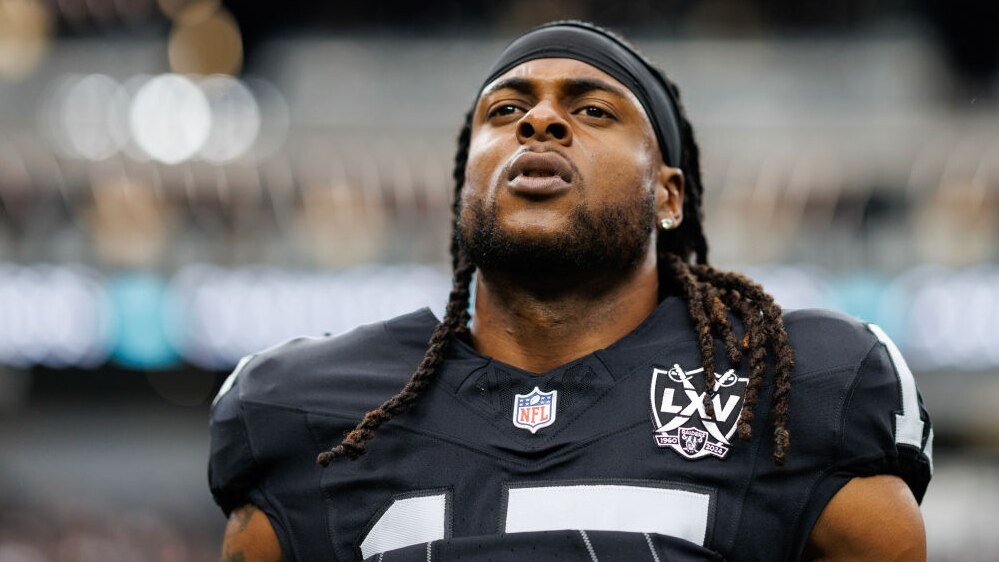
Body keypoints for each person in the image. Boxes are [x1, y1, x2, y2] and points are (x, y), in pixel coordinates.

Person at [209, 21, 932, 562]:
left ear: (668, 197)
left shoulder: (793, 385)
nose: (538, 120)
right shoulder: (310, 407)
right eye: (504, 111)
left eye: (591, 110)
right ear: (464, 190)